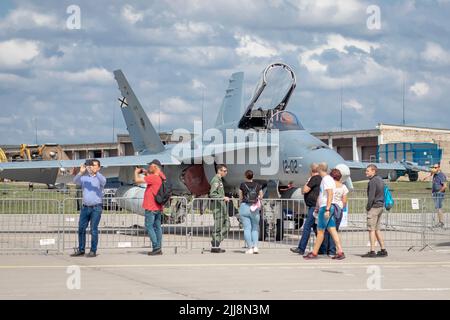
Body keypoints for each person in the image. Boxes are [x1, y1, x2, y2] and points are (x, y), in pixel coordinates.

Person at [304, 163, 345, 260]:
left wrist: (326, 208)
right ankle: (340, 251)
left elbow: (330, 193)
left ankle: (314, 253)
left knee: (320, 231)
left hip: (325, 207)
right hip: (326, 206)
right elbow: (323, 195)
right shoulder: (328, 179)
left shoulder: (326, 179)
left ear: (320, 169)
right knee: (332, 230)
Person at [71, 159, 106, 258]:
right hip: (85, 208)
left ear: (98, 167)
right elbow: (75, 181)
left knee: (93, 229)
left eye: (94, 165)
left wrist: (96, 172)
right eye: (90, 165)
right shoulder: (85, 178)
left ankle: (93, 250)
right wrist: (81, 172)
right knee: (81, 228)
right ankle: (81, 249)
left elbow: (104, 182)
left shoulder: (100, 178)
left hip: (96, 208)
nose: (91, 167)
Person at [134, 159, 166, 256]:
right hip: (158, 207)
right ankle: (159, 247)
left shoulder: (153, 177)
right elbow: (153, 175)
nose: (149, 167)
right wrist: (145, 172)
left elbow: (137, 181)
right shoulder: (161, 176)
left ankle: (156, 247)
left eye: (150, 166)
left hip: (150, 206)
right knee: (157, 227)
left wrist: (136, 172)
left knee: (149, 226)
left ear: (155, 167)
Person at [290, 163, 322, 255]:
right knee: (316, 228)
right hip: (316, 206)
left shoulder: (314, 178)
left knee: (307, 227)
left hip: (313, 207)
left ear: (311, 171)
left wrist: (307, 182)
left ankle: (301, 248)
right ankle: (323, 248)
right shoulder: (320, 178)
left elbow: (305, 190)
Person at [321, 168, 349, 256]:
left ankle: (325, 249)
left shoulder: (329, 186)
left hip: (328, 207)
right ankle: (332, 251)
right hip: (338, 209)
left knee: (325, 230)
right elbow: (344, 201)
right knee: (335, 230)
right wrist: (341, 207)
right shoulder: (343, 187)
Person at [362, 164, 388, 258]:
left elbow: (371, 197)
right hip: (380, 206)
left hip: (374, 207)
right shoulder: (380, 179)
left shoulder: (372, 181)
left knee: (371, 229)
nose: (366, 172)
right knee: (377, 229)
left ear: (373, 171)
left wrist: (368, 207)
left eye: (368, 170)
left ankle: (372, 251)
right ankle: (383, 249)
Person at [239, 170, 264, 254]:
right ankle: (256, 247)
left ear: (245, 176)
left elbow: (240, 197)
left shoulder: (242, 185)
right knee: (255, 228)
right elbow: (261, 196)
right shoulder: (258, 185)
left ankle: (250, 248)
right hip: (254, 208)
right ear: (253, 176)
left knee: (247, 228)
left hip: (245, 207)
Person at [209, 164, 230, 253]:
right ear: (219, 171)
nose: (226, 173)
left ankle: (216, 242)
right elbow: (212, 194)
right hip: (218, 207)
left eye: (226, 171)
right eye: (224, 171)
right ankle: (215, 245)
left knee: (227, 225)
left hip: (221, 206)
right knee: (218, 226)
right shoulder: (216, 180)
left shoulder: (220, 180)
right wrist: (222, 197)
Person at [431, 163, 447, 228]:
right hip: (435, 193)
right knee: (437, 208)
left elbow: (445, 186)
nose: (434, 168)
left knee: (438, 207)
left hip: (439, 194)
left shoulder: (441, 175)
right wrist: (433, 192)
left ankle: (441, 222)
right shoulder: (435, 175)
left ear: (439, 167)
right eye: (433, 167)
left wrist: (439, 192)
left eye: (435, 167)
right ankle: (440, 222)